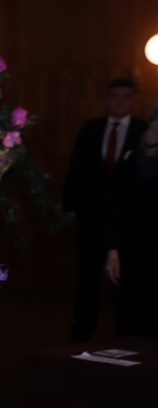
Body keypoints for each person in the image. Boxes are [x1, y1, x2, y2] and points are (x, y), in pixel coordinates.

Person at [64, 78, 148, 342]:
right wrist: (72, 210)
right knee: (87, 281)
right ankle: (80, 336)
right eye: (115, 96)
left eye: (125, 97)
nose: (120, 102)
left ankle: (127, 338)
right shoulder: (91, 128)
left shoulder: (143, 131)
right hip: (92, 219)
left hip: (128, 224)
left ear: (133, 100)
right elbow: (76, 171)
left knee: (128, 283)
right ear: (107, 99)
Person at [105, 102, 158, 337]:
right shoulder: (134, 158)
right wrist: (113, 249)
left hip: (139, 249)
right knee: (133, 327)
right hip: (137, 250)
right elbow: (118, 205)